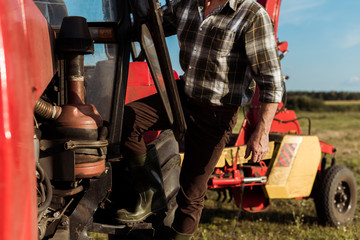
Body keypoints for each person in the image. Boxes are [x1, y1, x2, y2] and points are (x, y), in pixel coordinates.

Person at [116, 0, 283, 239]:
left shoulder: (251, 14)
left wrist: (262, 131)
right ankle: (150, 193)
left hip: (217, 114)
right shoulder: (186, 4)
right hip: (181, 96)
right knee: (125, 121)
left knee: (190, 193)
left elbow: (272, 81)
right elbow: (151, 23)